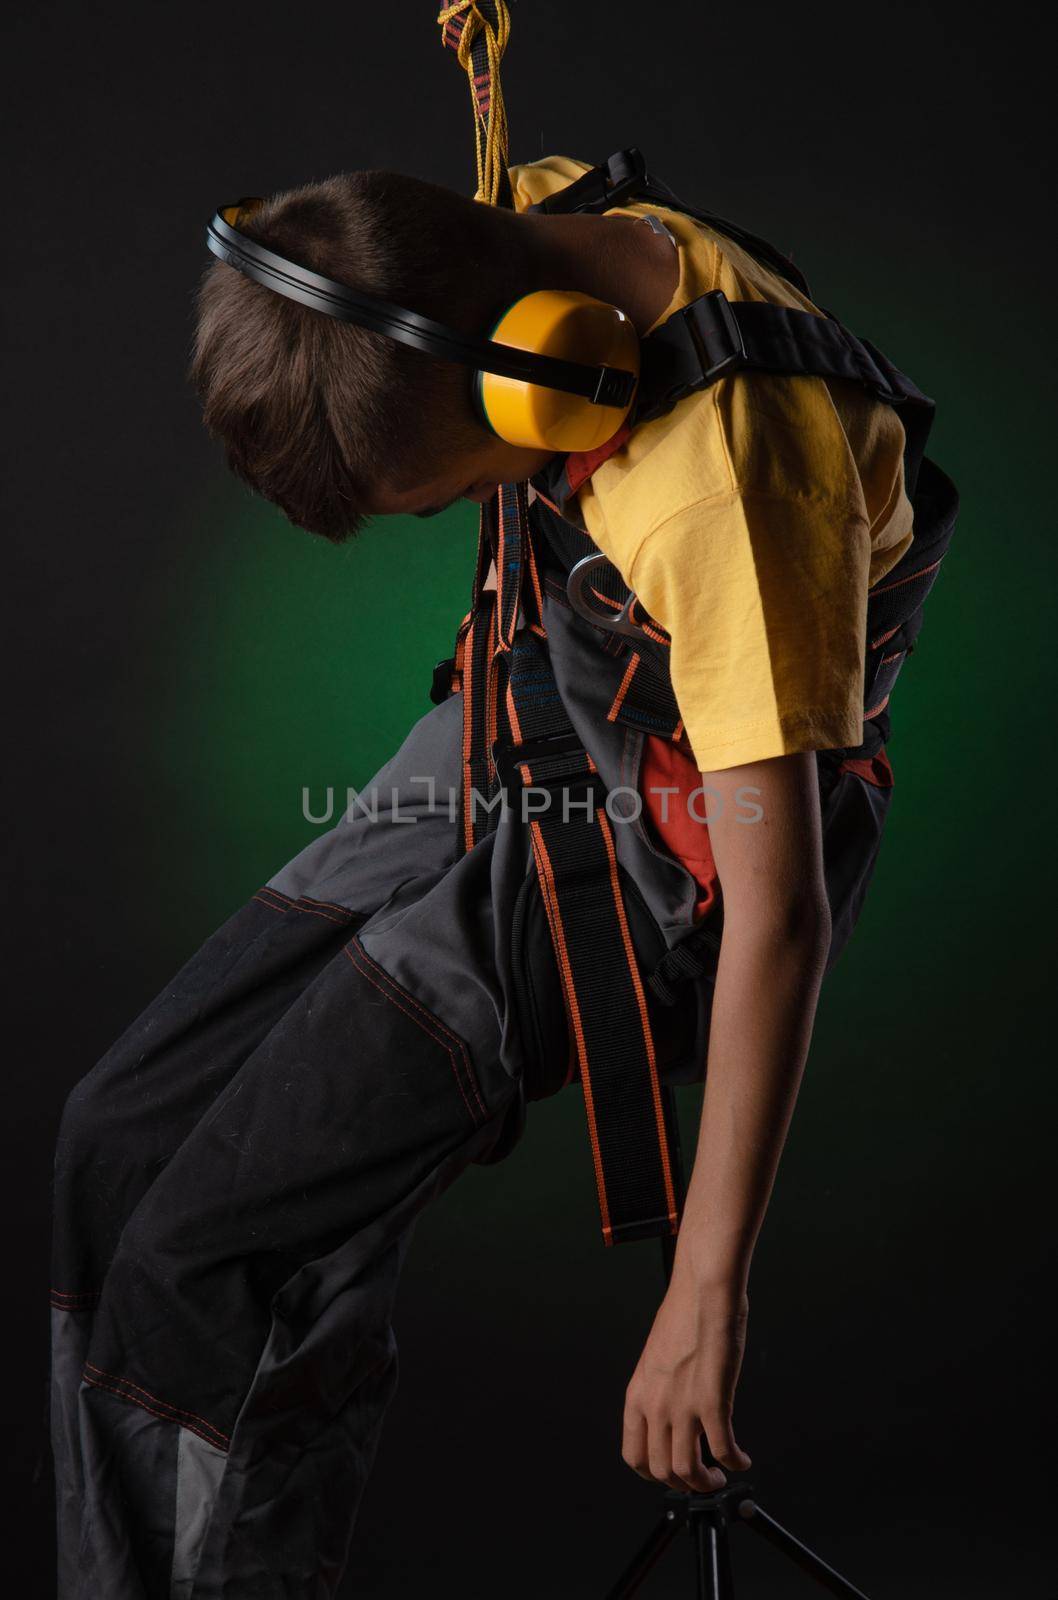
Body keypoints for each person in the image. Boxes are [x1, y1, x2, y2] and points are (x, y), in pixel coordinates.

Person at [49, 153, 928, 1597]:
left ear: (546, 390)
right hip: (543, 711)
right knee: (113, 1134)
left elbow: (781, 918)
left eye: (427, 500)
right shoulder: (534, 221)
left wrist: (708, 1297)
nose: (420, 525)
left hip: (675, 859)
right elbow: (396, 253)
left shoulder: (724, 498)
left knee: (203, 1265)